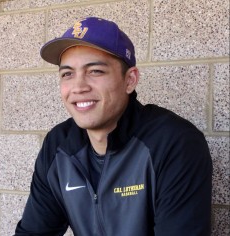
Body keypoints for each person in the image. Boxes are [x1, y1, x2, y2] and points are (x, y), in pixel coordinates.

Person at [14, 17, 212, 236]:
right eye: (67, 74)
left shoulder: (174, 142)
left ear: (130, 80)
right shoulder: (59, 145)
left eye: (95, 71)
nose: (78, 87)